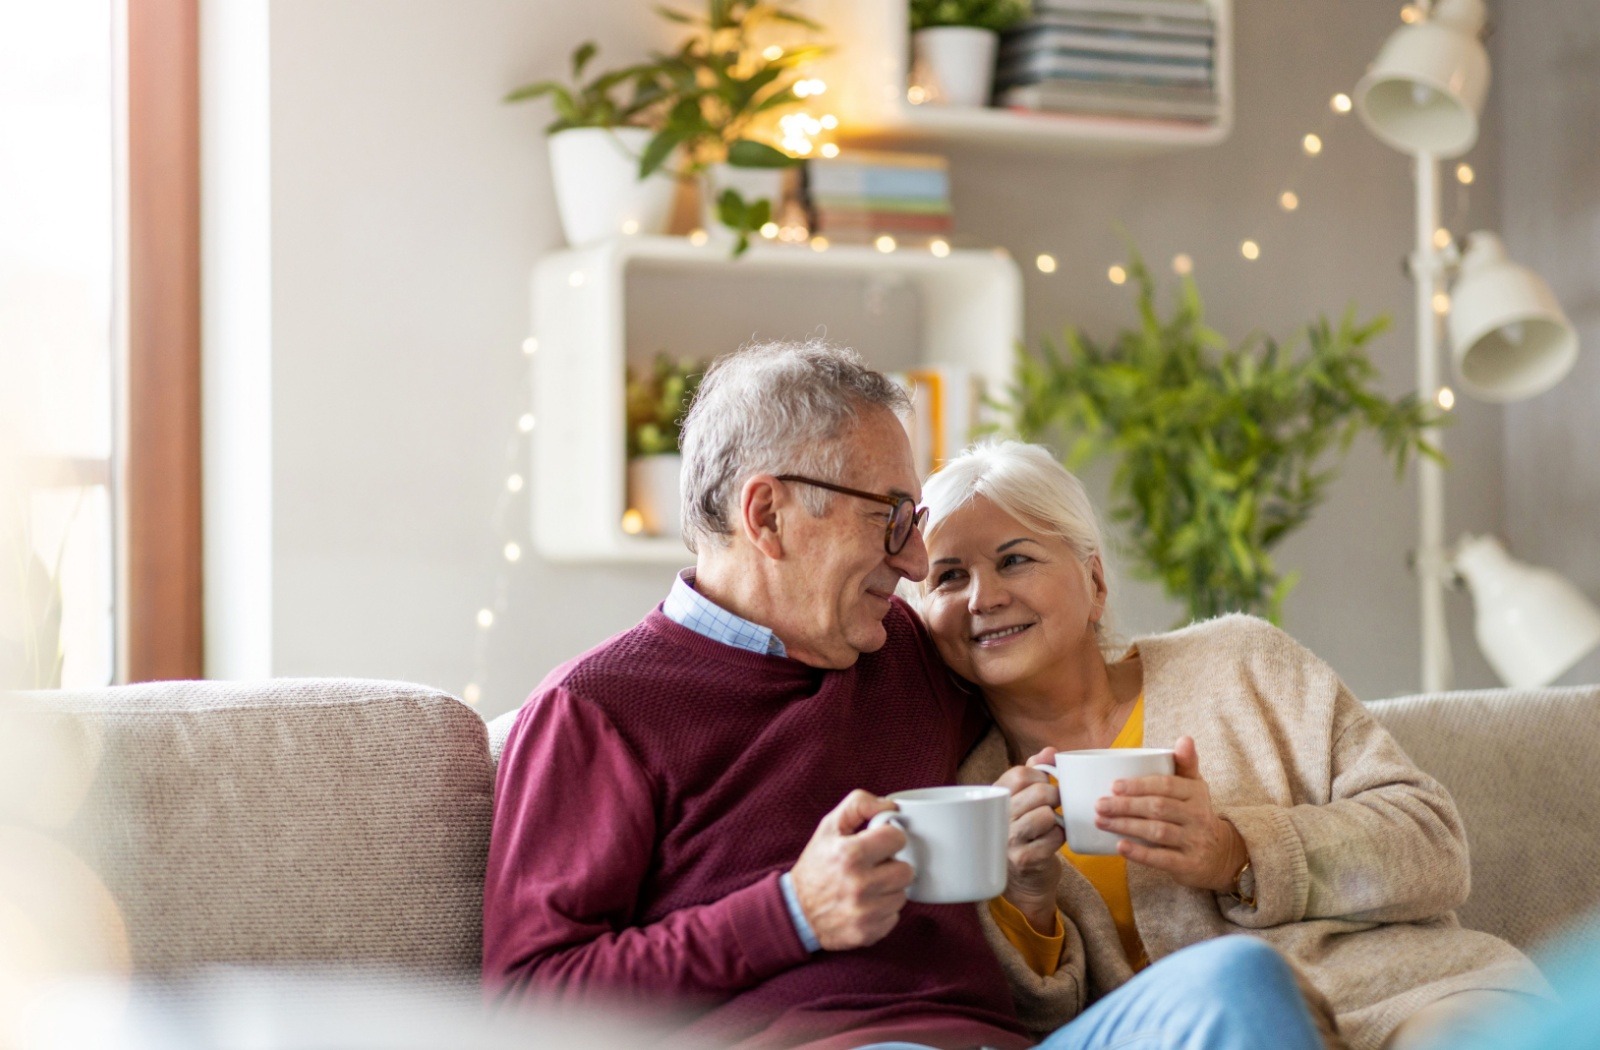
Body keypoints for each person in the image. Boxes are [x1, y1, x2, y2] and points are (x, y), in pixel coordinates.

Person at [483, 341, 1329, 1050]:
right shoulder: (597, 711)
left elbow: (1060, 661)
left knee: (1238, 983)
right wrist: (790, 913)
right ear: (769, 515)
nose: (918, 564)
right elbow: (530, 1007)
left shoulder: (911, 655)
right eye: (890, 517)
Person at [913, 439, 1551, 1050]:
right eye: (948, 576)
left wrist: (1237, 853)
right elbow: (1040, 1026)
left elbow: (1432, 843)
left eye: (1014, 559)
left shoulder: (1241, 661)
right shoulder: (972, 793)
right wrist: (1027, 898)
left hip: (1408, 998)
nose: (983, 597)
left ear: (1095, 583)